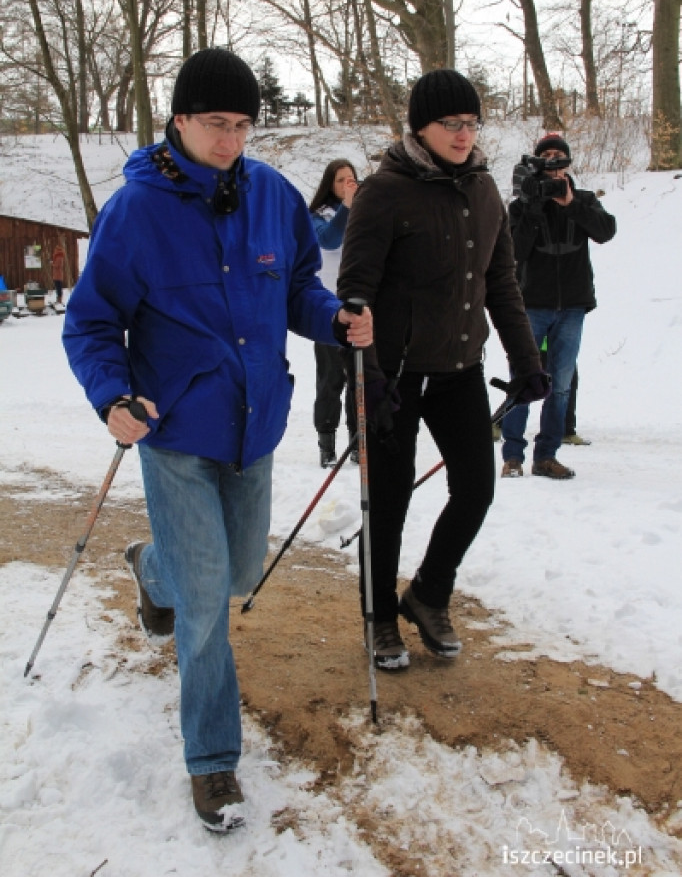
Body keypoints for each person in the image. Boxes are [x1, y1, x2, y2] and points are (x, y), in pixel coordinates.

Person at [62, 47, 372, 833]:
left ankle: (149, 566)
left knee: (232, 570)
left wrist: (331, 315)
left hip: (256, 423)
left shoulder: (271, 195)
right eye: (214, 125)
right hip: (174, 431)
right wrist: (112, 396)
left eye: (241, 125)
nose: (230, 140)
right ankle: (211, 760)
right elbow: (92, 322)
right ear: (178, 122)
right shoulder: (134, 213)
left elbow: (297, 285)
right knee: (206, 607)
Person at [337, 68, 548, 672]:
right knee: (391, 500)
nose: (463, 134)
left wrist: (526, 362)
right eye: (450, 124)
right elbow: (356, 293)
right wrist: (369, 378)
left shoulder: (483, 191)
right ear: (421, 128)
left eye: (471, 123)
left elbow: (500, 283)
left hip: (459, 369)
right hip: (396, 377)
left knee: (477, 489)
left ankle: (427, 594)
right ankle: (379, 619)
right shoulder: (383, 191)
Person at [500, 133, 616, 479]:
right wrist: (535, 209)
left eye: (558, 157)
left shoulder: (581, 199)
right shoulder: (521, 206)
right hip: (532, 305)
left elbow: (606, 231)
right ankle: (512, 456)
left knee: (560, 383)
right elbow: (513, 252)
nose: (553, 162)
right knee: (523, 378)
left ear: (567, 163)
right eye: (546, 156)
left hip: (572, 307)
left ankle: (546, 455)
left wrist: (571, 204)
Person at [309, 159, 359, 466]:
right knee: (330, 381)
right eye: (341, 180)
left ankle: (357, 441)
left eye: (352, 179)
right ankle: (326, 443)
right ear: (331, 185)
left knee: (359, 380)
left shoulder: (363, 213)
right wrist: (348, 208)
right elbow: (329, 239)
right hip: (328, 308)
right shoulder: (316, 217)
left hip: (358, 309)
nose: (347, 185)